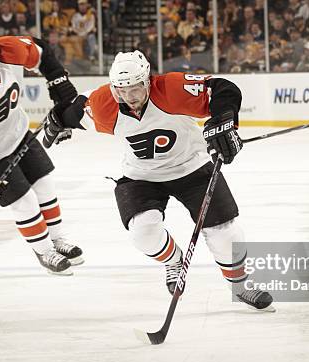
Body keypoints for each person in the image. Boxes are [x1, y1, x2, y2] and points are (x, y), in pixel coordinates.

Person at [44, 50, 274, 310]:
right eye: (121, 90)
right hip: (141, 176)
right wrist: (56, 120)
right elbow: (76, 111)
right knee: (143, 232)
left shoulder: (172, 89)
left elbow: (224, 89)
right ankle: (174, 260)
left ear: (148, 81)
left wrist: (224, 120)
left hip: (192, 167)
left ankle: (240, 286)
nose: (129, 97)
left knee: (225, 232)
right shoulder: (104, 104)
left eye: (135, 89)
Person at [0, 22, 84, 274]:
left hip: (19, 133)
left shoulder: (8, 50)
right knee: (24, 201)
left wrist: (57, 79)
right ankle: (44, 251)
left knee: (44, 185)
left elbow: (41, 51)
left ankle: (57, 240)